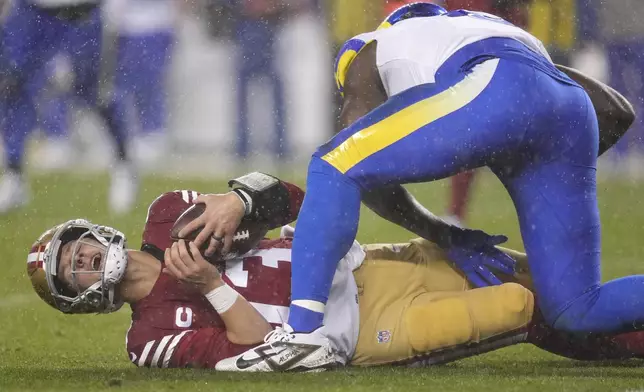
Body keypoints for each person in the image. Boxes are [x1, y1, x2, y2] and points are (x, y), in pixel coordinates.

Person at [183, 3, 640, 371]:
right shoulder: (481, 28)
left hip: (501, 90)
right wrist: (547, 170)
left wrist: (444, 226)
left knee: (329, 162)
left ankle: (304, 336)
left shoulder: (374, 45)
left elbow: (356, 166)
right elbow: (616, 111)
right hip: (568, 111)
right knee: (576, 308)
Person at [26, 174, 644, 370]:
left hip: (368, 262)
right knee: (518, 309)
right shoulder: (148, 339)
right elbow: (262, 348)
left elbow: (299, 201)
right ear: (78, 299)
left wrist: (242, 205)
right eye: (67, 272)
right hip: (361, 327)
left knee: (542, 277)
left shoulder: (169, 216)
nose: (77, 258)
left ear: (90, 231)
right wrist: (210, 286)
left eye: (72, 247)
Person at [0, 0, 137, 214]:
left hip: (82, 11)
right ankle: (14, 172)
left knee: (98, 94)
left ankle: (124, 164)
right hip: (30, 10)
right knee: (13, 86)